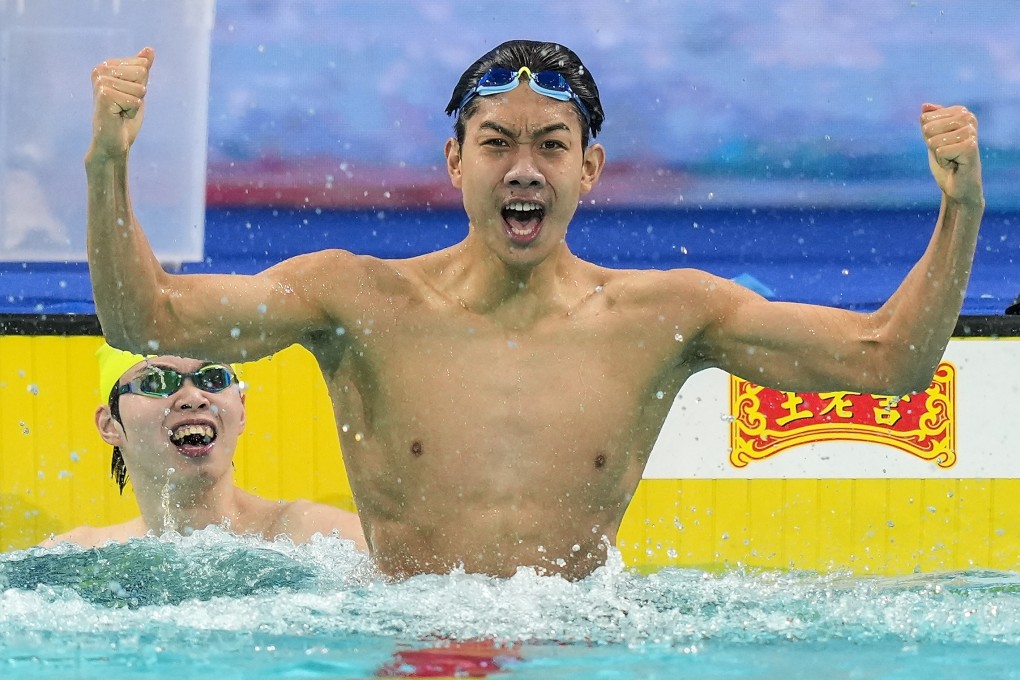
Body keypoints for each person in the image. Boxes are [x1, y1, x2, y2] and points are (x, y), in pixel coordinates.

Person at [85, 41, 983, 579]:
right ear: (454, 161)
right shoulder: (354, 297)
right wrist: (108, 166)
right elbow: (145, 318)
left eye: (552, 145)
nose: (524, 168)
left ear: (587, 170)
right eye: (496, 143)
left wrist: (961, 211)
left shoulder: (664, 313)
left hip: (582, 642)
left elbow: (887, 363)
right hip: (410, 645)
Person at [41, 343, 366, 550]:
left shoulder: (322, 538)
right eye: (157, 382)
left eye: (212, 378)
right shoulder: (80, 555)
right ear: (110, 424)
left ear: (241, 408)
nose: (195, 397)